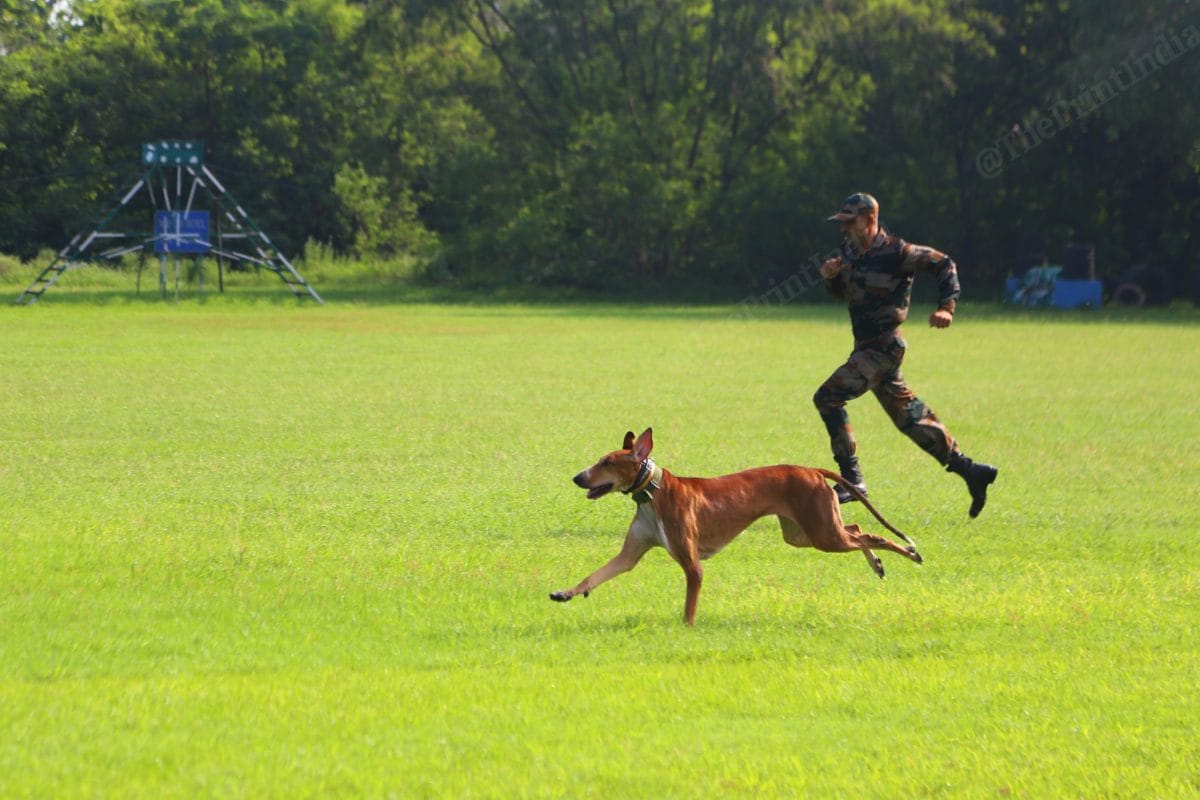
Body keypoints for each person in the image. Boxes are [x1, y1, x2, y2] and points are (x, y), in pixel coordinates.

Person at [814, 192, 998, 517]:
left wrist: (946, 307)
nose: (843, 229)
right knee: (911, 419)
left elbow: (944, 264)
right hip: (866, 347)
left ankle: (852, 480)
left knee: (828, 397)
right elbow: (844, 294)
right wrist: (832, 278)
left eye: (849, 222)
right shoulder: (849, 252)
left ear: (870, 219)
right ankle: (971, 471)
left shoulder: (898, 252)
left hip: (883, 348)